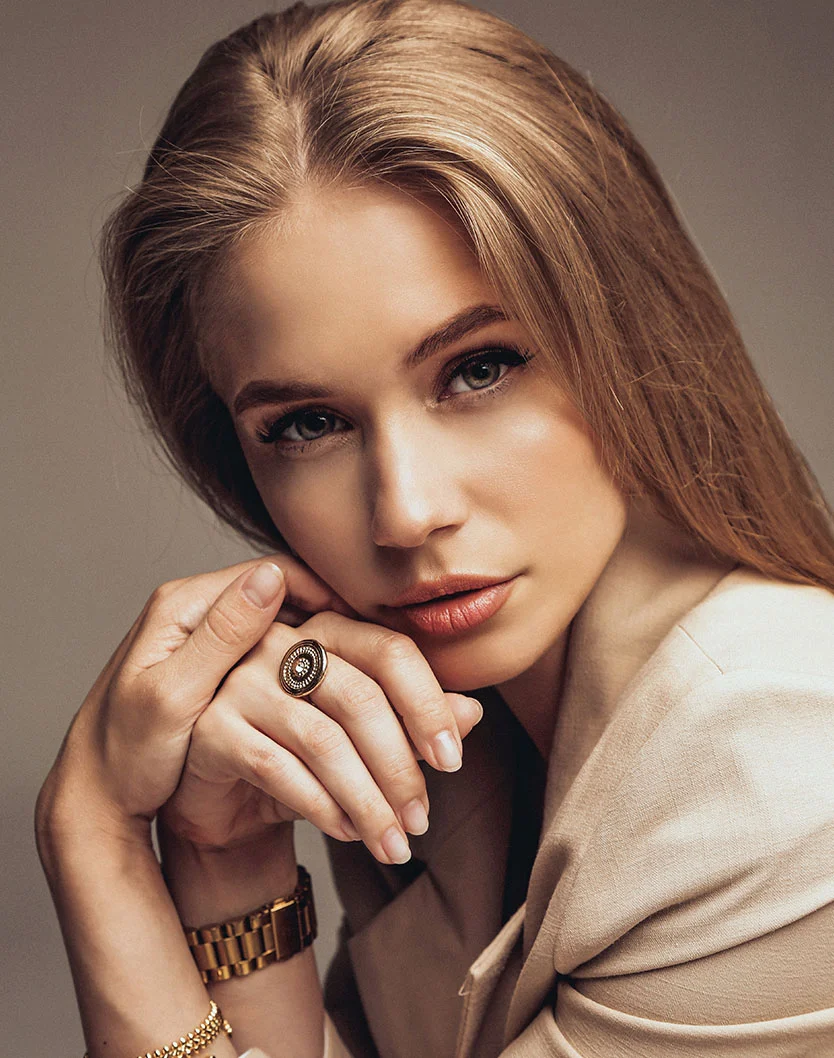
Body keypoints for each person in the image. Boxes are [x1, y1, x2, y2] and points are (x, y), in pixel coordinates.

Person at [34, 0, 834, 1056]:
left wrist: (95, 841)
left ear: (628, 334)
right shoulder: (444, 731)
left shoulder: (769, 770)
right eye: (308, 424)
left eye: (480, 368)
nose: (407, 511)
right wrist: (227, 852)